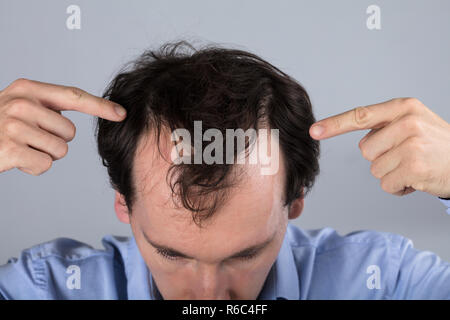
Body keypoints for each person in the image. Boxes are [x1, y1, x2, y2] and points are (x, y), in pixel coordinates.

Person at [0, 40, 449, 300]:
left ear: (295, 201)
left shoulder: (387, 284)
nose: (210, 298)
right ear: (123, 201)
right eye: (173, 255)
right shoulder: (44, 291)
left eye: (245, 255)